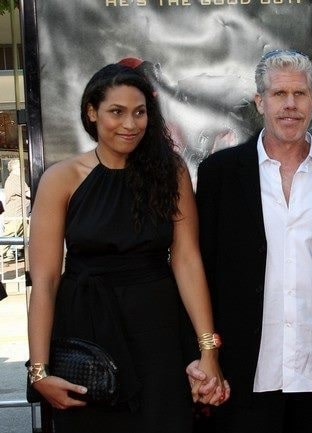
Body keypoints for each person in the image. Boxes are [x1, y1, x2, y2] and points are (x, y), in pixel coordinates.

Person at [26, 63, 228, 433]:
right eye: (116, 112)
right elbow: (46, 280)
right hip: (86, 333)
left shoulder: (170, 171)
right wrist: (38, 371)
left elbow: (186, 260)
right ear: (92, 112)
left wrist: (207, 350)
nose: (130, 124)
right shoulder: (61, 179)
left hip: (158, 332)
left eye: (139, 112)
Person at [189, 49, 312, 433]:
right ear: (259, 102)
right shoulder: (220, 175)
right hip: (243, 376)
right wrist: (199, 356)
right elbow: (198, 272)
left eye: (300, 94)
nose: (290, 105)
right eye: (279, 94)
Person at [1, 158, 30, 261]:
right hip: (16, 215)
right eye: (21, 166)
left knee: (29, 236)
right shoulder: (15, 179)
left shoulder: (15, 179)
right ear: (15, 168)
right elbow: (28, 193)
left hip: (21, 215)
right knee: (6, 240)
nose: (24, 168)